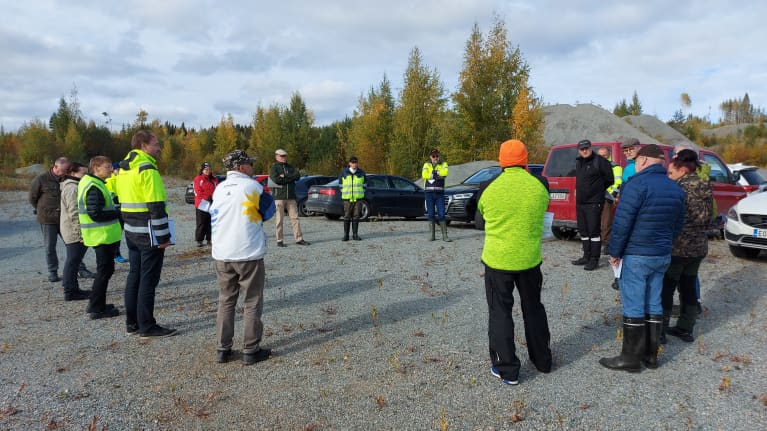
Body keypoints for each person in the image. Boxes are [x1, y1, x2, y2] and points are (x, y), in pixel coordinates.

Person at [600, 144, 686, 372]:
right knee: (654, 301)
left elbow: (622, 223)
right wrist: (664, 243)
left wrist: (615, 252)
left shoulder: (636, 185)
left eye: (637, 160)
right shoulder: (676, 188)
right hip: (661, 254)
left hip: (638, 253)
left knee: (634, 303)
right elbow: (678, 225)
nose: (636, 164)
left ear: (645, 160)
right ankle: (651, 355)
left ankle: (630, 357)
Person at [477, 139, 552, 385]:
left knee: (500, 313)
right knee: (534, 309)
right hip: (530, 259)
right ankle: (542, 360)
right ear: (525, 159)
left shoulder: (488, 186)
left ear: (501, 160)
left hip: (498, 261)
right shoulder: (540, 184)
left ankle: (507, 369)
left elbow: (480, 218)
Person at [210, 149, 273, 365]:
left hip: (222, 253)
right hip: (248, 253)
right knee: (252, 300)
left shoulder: (218, 189)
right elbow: (270, 210)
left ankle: (222, 349)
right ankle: (250, 349)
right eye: (250, 164)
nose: (252, 168)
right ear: (241, 167)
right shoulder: (253, 187)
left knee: (226, 300)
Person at [115, 130, 177, 338]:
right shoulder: (147, 169)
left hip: (131, 232)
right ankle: (147, 326)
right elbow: (156, 205)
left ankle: (131, 322)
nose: (159, 147)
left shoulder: (123, 169)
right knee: (148, 281)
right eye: (156, 144)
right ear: (144, 145)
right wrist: (163, 237)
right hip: (149, 234)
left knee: (134, 276)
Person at [661, 150, 713, 343]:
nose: (669, 176)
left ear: (682, 170)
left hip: (679, 247)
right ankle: (685, 328)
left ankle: (660, 331)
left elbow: (670, 216)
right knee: (689, 287)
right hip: (699, 247)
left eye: (671, 173)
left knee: (666, 288)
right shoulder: (706, 185)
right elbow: (711, 214)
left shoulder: (678, 189)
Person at [29, 157, 94, 282]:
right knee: (49, 247)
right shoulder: (41, 179)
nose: (65, 172)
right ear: (55, 166)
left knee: (74, 245)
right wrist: (43, 209)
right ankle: (52, 272)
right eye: (63, 170)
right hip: (48, 219)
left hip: (65, 219)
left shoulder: (67, 180)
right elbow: (33, 198)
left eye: (67, 170)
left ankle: (81, 269)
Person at [78, 156, 123, 320]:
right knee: (104, 271)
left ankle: (96, 303)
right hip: (100, 236)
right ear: (96, 168)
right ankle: (97, 308)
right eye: (107, 166)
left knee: (105, 270)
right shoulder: (93, 186)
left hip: (102, 236)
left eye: (111, 166)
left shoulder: (95, 183)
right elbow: (95, 213)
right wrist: (119, 212)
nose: (110, 169)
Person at [571, 140, 614, 271]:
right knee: (583, 230)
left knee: (593, 231)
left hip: (594, 202)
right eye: (582, 149)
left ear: (590, 148)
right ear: (578, 150)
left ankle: (594, 259)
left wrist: (597, 191)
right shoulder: (579, 161)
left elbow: (609, 179)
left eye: (586, 148)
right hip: (580, 202)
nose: (584, 151)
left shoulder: (600, 161)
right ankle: (586, 256)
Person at [59, 162, 92, 301]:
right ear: (73, 174)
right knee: (73, 261)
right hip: (73, 231)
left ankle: (72, 288)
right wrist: (80, 233)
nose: (85, 176)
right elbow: (74, 213)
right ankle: (70, 291)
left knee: (74, 260)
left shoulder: (74, 186)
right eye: (83, 173)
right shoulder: (72, 188)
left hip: (71, 229)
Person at [421, 149, 451, 242]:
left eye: (437, 156)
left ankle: (445, 236)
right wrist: (438, 174)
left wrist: (434, 173)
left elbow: (445, 173)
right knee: (431, 214)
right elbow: (424, 175)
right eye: (433, 156)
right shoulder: (426, 165)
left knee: (442, 214)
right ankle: (432, 236)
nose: (435, 158)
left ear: (439, 156)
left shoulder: (444, 164)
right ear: (430, 157)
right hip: (429, 193)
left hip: (439, 194)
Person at [597, 147, 622, 254]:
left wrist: (611, 195)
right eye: (600, 155)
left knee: (606, 223)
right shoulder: (596, 166)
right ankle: (595, 244)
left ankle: (607, 244)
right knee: (595, 221)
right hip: (596, 197)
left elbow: (618, 183)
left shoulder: (615, 167)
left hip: (607, 197)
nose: (602, 157)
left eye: (604, 155)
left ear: (609, 155)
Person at [339, 156, 366, 241]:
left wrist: (361, 193)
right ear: (349, 163)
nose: (354, 164)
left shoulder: (361, 173)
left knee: (356, 216)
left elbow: (365, 185)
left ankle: (355, 235)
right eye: (353, 162)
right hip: (347, 199)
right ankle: (346, 235)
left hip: (358, 199)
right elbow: (340, 185)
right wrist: (344, 193)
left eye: (356, 162)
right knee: (346, 216)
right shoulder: (344, 173)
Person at [193, 162, 218, 247]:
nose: (208, 171)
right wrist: (207, 198)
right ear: (202, 170)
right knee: (201, 223)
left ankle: (210, 239)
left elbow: (217, 189)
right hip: (201, 204)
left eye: (209, 169)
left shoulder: (214, 179)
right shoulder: (198, 179)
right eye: (206, 169)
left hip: (212, 203)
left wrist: (214, 198)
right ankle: (199, 240)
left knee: (211, 222)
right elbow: (197, 191)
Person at [106, 162, 127, 264]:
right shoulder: (108, 180)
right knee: (114, 234)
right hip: (114, 211)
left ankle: (116, 254)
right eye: (117, 169)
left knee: (119, 233)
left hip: (123, 210)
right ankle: (115, 255)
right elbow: (110, 195)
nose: (119, 171)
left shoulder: (123, 179)